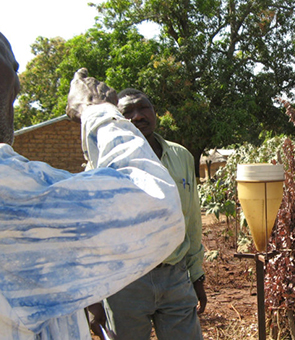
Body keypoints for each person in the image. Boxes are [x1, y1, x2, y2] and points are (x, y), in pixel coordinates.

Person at [0, 31, 185, 340]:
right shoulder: (11, 191)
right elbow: (155, 205)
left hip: (174, 275)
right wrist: (96, 110)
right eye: (9, 68)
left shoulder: (180, 156)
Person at [89, 88, 206, 340]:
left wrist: (196, 275)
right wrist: (93, 296)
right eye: (127, 112)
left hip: (174, 276)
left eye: (143, 108)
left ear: (155, 113)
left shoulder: (181, 156)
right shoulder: (103, 163)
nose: (137, 116)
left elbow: (192, 218)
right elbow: (93, 228)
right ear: (117, 120)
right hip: (126, 282)